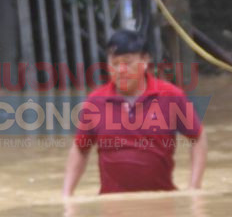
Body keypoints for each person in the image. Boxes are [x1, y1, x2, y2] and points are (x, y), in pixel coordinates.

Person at [62, 29, 206, 198]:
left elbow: (198, 138)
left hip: (162, 201)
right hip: (112, 205)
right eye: (115, 63)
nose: (121, 70)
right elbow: (80, 149)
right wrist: (67, 195)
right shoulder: (95, 102)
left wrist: (194, 189)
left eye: (127, 62)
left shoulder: (171, 96)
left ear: (145, 60)